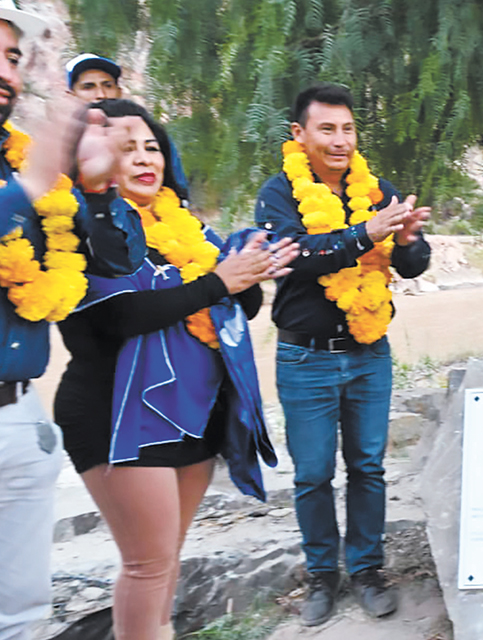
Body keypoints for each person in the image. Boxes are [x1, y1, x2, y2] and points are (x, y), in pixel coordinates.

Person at [54, 98, 295, 640]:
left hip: (193, 417)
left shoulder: (188, 229)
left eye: (152, 147)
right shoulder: (84, 230)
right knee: (147, 564)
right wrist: (219, 282)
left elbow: (239, 308)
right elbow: (119, 318)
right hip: (117, 417)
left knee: (165, 559)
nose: (144, 158)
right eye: (125, 146)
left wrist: (248, 270)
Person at [255, 82, 432, 626]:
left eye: (347, 128)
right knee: (311, 474)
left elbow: (415, 265)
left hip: (369, 353)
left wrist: (405, 243)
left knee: (368, 467)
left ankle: (367, 570)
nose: (340, 140)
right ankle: (321, 578)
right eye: (327, 129)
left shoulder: (377, 189)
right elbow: (294, 257)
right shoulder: (278, 193)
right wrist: (364, 232)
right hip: (305, 359)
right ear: (299, 134)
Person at [0, 2, 149, 637]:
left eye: (11, 57)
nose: (6, 70)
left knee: (23, 618)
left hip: (17, 420)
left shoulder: (21, 169)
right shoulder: (24, 183)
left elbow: (114, 262)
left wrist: (92, 191)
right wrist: (30, 190)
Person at [65, 53, 190, 197]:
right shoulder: (56, 146)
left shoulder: (150, 133)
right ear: (71, 96)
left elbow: (177, 189)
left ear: (119, 91)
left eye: (108, 85)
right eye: (88, 87)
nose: (100, 94)